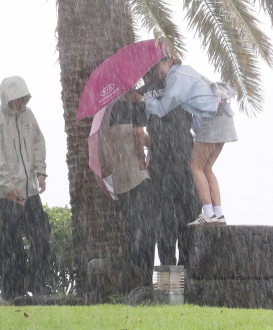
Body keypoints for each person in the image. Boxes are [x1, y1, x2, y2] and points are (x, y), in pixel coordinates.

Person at [130, 57, 237, 227]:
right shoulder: (188, 72)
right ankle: (218, 214)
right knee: (206, 168)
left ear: (168, 63)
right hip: (223, 116)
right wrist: (198, 134)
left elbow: (162, 109)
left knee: (195, 168)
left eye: (158, 65)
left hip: (211, 119)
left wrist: (142, 99)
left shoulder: (175, 77)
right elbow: (196, 110)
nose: (157, 70)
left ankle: (208, 214)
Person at [0, 76, 52, 300]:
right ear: (5, 98)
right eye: (15, 98)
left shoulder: (28, 116)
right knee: (11, 243)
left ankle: (40, 287)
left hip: (30, 191)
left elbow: (39, 142)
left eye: (22, 98)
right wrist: (8, 187)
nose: (19, 103)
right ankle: (13, 290)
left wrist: (40, 172)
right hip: (7, 194)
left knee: (41, 237)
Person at [127, 58, 201, 266]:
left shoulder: (140, 94)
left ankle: (169, 268)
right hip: (185, 154)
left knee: (165, 216)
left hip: (161, 159)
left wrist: (142, 156)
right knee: (189, 213)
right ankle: (187, 265)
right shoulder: (181, 85)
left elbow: (137, 131)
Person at [99, 99, 154, 287]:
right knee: (147, 233)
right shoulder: (133, 130)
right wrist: (141, 155)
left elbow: (104, 169)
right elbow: (151, 142)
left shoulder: (105, 136)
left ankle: (133, 280)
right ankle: (146, 279)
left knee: (131, 233)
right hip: (140, 183)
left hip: (122, 190)